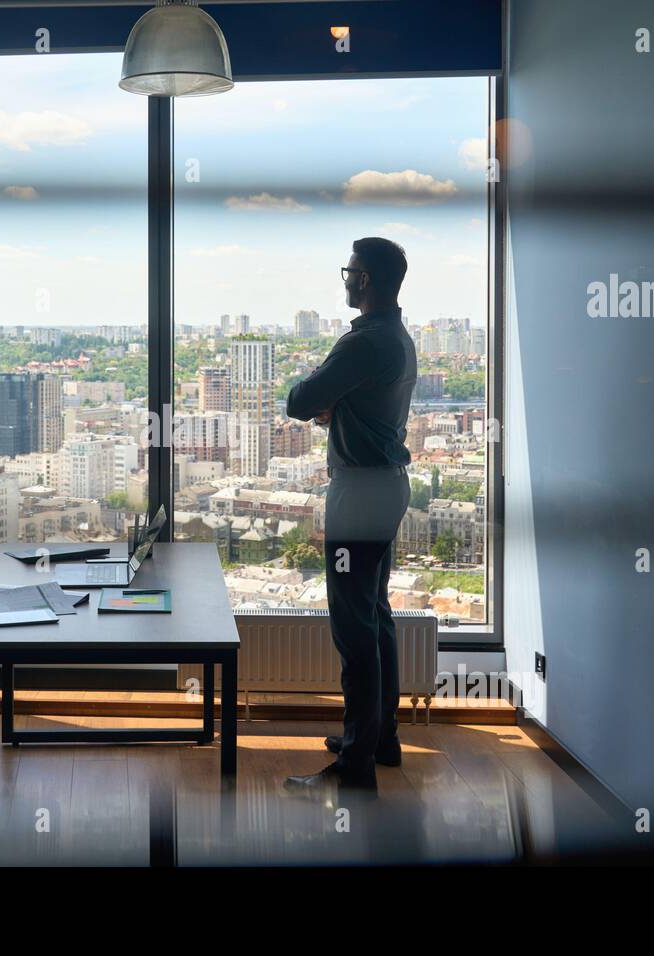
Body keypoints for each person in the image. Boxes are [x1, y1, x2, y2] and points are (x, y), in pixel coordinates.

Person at [282, 237, 417, 795]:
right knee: (376, 616)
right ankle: (378, 739)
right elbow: (336, 403)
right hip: (383, 489)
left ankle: (356, 766)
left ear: (364, 281)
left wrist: (323, 397)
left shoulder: (364, 341)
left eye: (350, 270)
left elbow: (300, 399)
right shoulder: (397, 337)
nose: (345, 278)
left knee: (353, 629)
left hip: (358, 495)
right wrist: (335, 405)